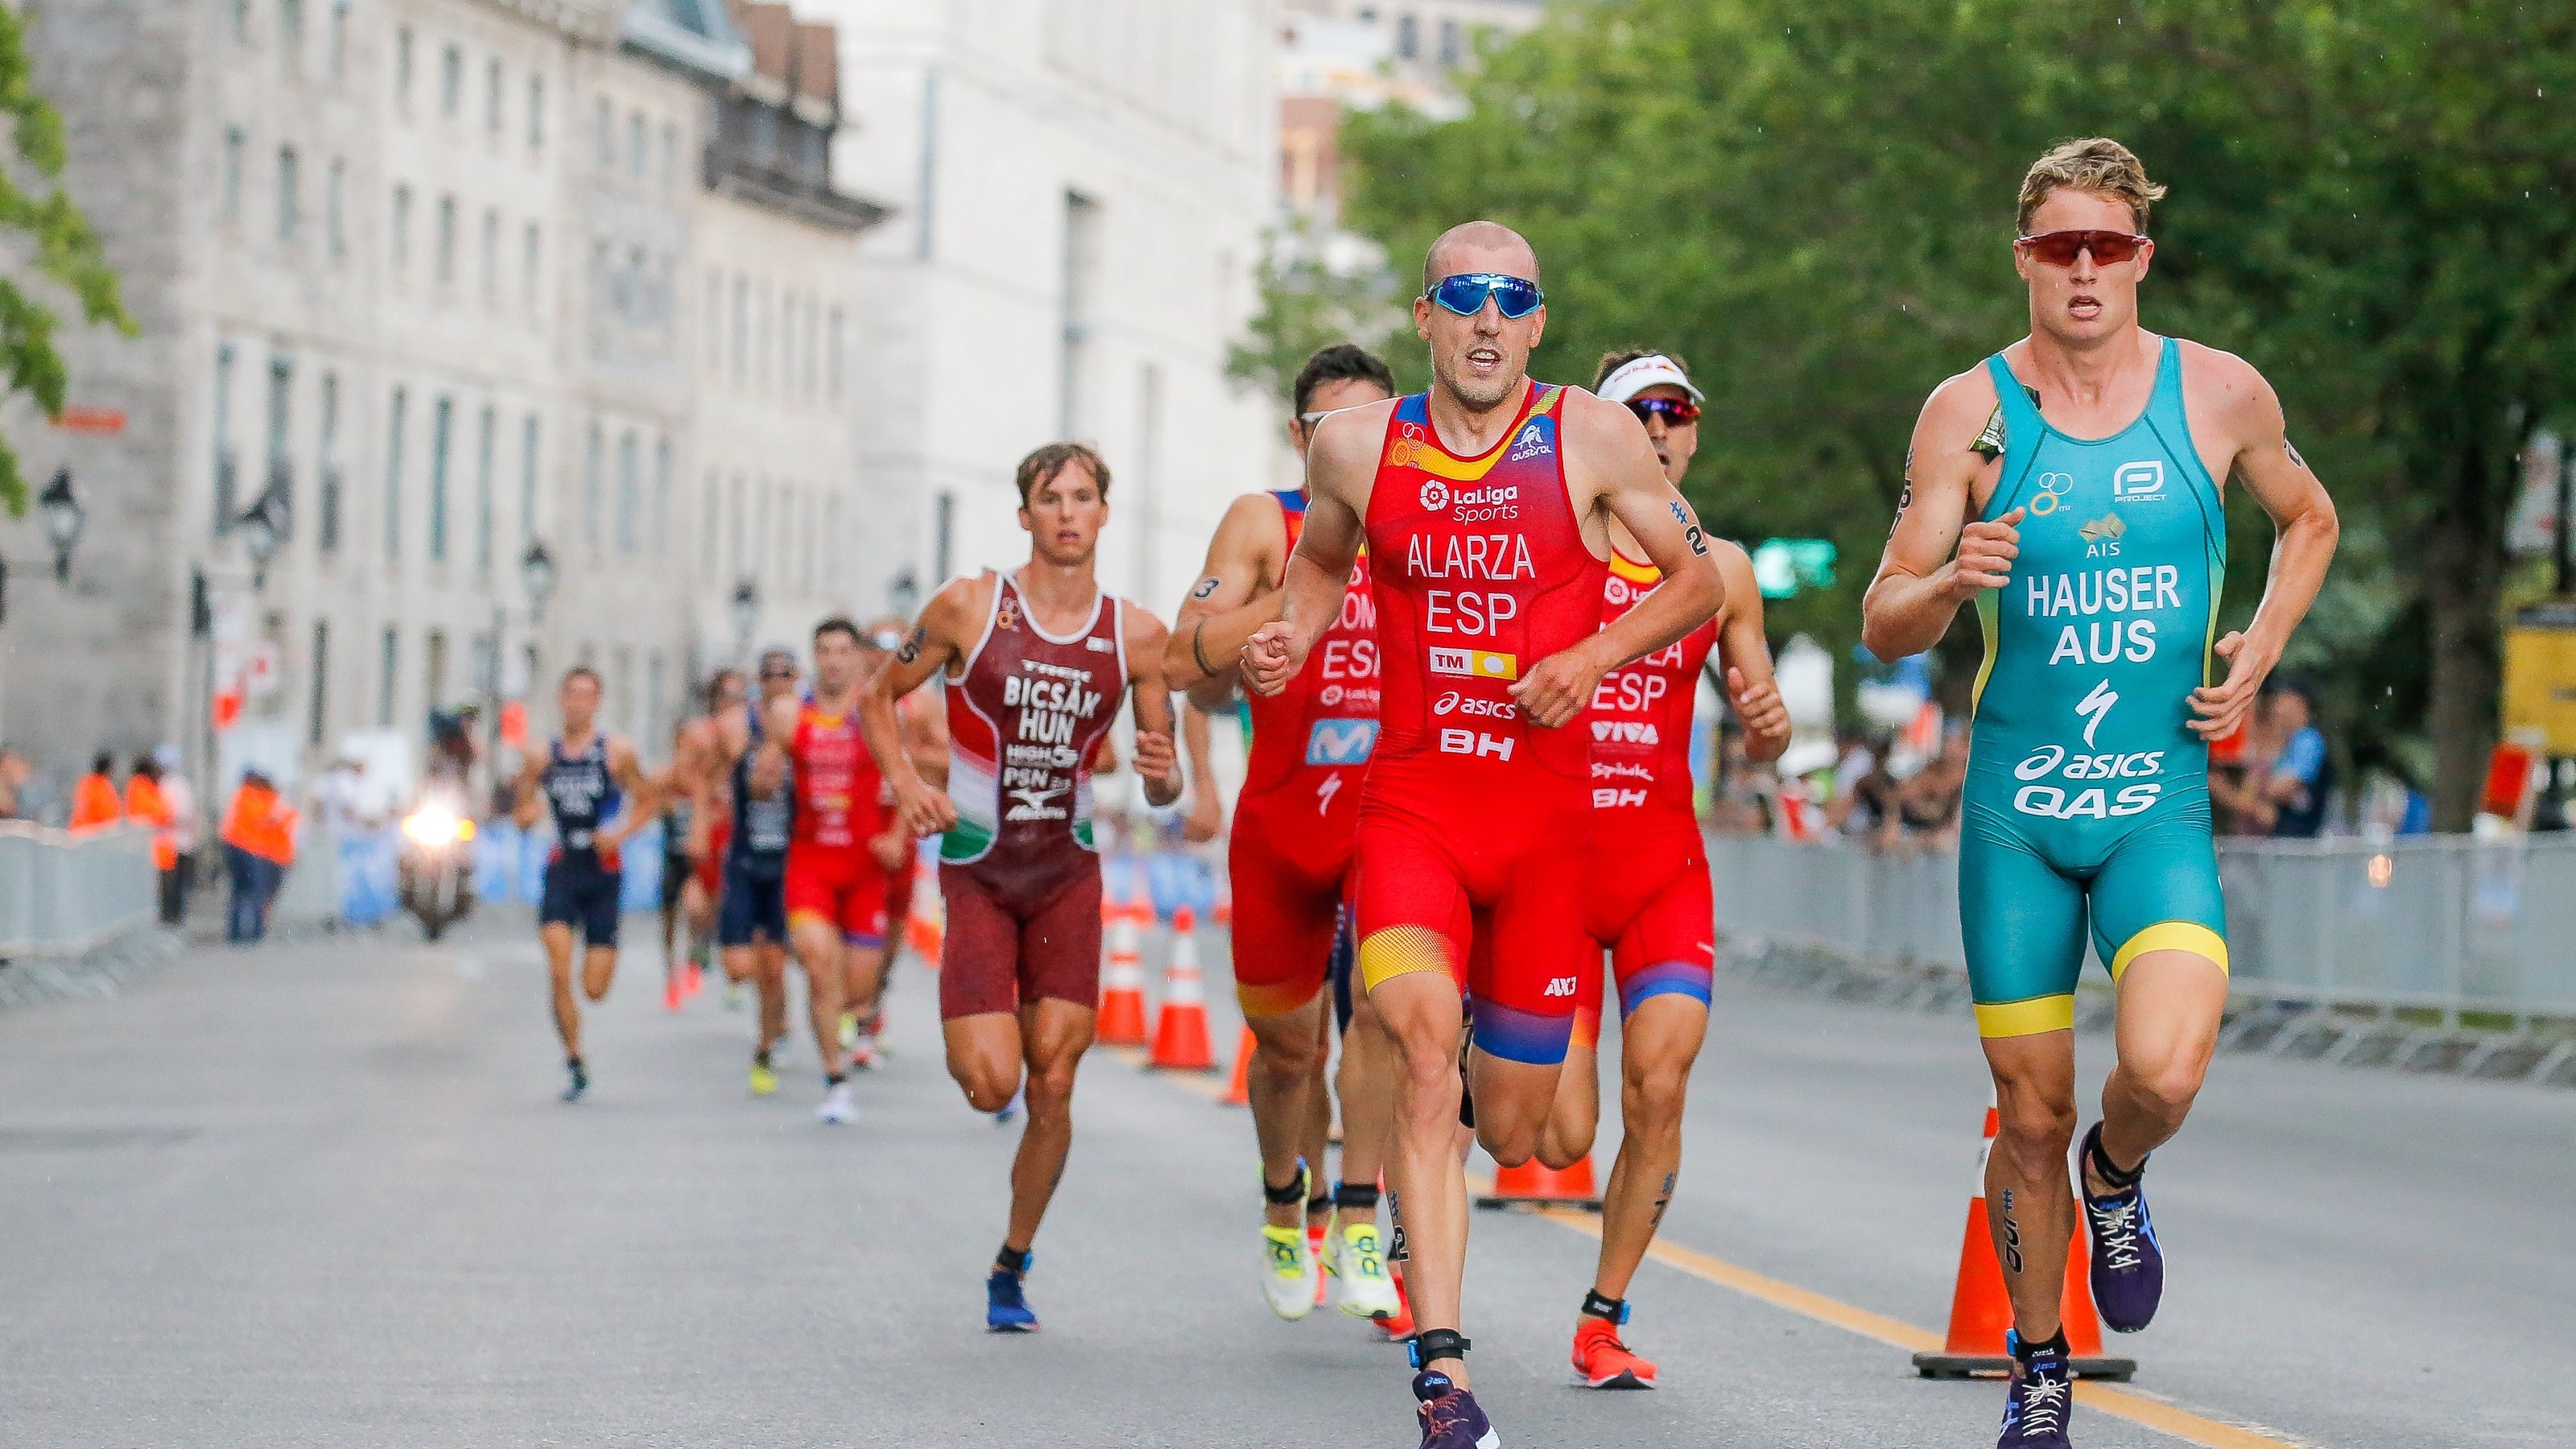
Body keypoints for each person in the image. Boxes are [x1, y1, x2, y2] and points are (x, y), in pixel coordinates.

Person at [1860, 138, 2339, 1448]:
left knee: (2164, 1070)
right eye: (2059, 247)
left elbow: (2311, 521)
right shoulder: (1969, 413)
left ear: (2141, 258)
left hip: (2154, 806)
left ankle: (2117, 1177)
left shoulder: (2219, 395)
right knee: (2027, 1115)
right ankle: (2039, 1367)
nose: (2084, 270)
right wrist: (1955, 576)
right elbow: (1884, 619)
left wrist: (2260, 645)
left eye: (2108, 247)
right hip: (2018, 817)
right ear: (2025, 259)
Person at [1245, 221, 1724, 1448]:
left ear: (1540, 323)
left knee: (1517, 1129)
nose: (1488, 320)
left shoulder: (1595, 436)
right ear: (1427, 315)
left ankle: (1443, 1124)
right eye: (1465, 297)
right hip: (1414, 816)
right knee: (1412, 1051)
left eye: (1512, 300)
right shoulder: (1360, 445)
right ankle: (1442, 1373)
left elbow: (1696, 584)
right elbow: (1318, 567)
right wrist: (1287, 638)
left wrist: (1592, 656)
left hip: (1546, 840)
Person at [864, 440, 1183, 1332]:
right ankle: (1008, 1236)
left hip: (1064, 878)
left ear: (1103, 515)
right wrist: (907, 786)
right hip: (977, 870)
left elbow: (1162, 784)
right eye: (1051, 499)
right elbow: (873, 697)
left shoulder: (1138, 636)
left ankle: (1012, 1260)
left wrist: (1162, 774)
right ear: (1025, 516)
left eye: (1084, 497)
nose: (1068, 513)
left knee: (1052, 1081)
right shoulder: (969, 607)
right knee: (991, 1085)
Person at [1531, 348, 1791, 1390]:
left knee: (1661, 1087)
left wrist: (1767, 727)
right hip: (1549, 869)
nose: (1661, 428)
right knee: (1556, 1134)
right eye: (1639, 411)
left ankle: (1603, 1318)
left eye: (1678, 411)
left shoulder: (1723, 570)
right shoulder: (1557, 544)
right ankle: (1473, 1035)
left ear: (1694, 431)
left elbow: (1758, 714)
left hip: (1659, 869)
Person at [1163, 341, 1410, 1326]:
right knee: (1286, 1050)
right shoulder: (1267, 521)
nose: (1355, 444)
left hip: (1390, 811)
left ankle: (1358, 1215)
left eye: (1374, 425)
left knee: (1385, 1008)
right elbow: (1189, 655)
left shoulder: (1428, 519)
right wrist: (1288, 606)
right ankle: (1283, 1202)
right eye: (1331, 428)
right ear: (1300, 438)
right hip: (1281, 821)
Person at [752, 618, 910, 1125]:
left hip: (865, 868)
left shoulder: (878, 708)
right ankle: (834, 1078)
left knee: (858, 991)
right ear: (814, 657)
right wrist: (763, 776)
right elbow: (763, 781)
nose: (834, 660)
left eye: (844, 650)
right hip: (811, 862)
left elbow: (908, 779)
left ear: (858, 657)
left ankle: (843, 1021)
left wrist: (897, 836)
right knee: (820, 966)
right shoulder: (786, 713)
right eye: (825, 651)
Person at [511, 667, 659, 1103]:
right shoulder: (541, 755)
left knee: (594, 989)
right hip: (563, 868)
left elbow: (648, 799)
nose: (577, 703)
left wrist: (621, 834)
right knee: (559, 972)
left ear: (597, 703)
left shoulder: (616, 752)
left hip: (604, 872)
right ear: (561, 699)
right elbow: (523, 804)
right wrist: (527, 816)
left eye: (586, 696)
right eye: (571, 694)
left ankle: (582, 1024)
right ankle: (574, 1058)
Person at [704, 650, 802, 1094]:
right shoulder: (740, 727)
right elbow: (711, 774)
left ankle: (765, 1046)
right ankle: (776, 1018)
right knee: (740, 966)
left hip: (787, 860)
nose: (777, 681)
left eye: (785, 674)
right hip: (745, 857)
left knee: (773, 964)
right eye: (769, 675)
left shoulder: (810, 728)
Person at [219, 768, 299, 943]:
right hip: (250, 848)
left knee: (239, 891)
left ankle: (236, 932)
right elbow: (266, 820)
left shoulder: (241, 796)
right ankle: (255, 930)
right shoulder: (253, 796)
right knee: (255, 890)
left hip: (238, 846)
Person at [125, 753, 182, 924]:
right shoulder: (141, 789)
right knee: (158, 896)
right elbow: (159, 814)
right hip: (151, 855)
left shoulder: (150, 789)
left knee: (165, 894)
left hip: (160, 853)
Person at [154, 745, 200, 919]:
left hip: (173, 843)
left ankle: (172, 918)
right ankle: (174, 917)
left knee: (172, 886)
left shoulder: (165, 786)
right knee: (176, 886)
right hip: (176, 844)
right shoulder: (179, 785)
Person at [69, 753, 122, 831]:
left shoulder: (90, 782)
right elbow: (94, 807)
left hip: (98, 831)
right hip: (90, 831)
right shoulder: (97, 785)